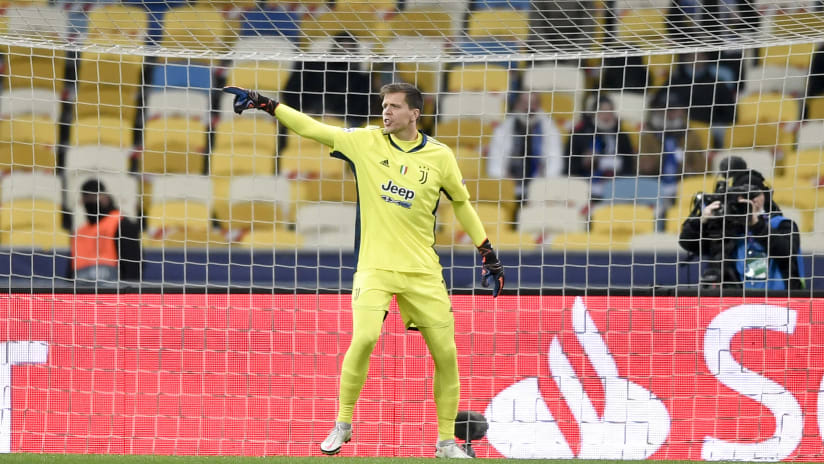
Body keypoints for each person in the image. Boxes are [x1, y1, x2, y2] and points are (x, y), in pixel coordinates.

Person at [223, 82, 505, 459]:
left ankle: (444, 443)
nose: (386, 112)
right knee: (365, 339)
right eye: (384, 105)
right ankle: (342, 423)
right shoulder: (366, 142)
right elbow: (313, 128)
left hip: (422, 271)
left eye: (394, 106)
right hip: (374, 267)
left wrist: (486, 251)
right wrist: (267, 104)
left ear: (414, 114)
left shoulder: (440, 157)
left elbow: (463, 205)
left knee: (446, 354)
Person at [679, 168, 806, 291]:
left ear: (765, 196)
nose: (749, 200)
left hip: (781, 302)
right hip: (740, 305)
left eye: (753, 194)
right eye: (743, 196)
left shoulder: (782, 224)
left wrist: (756, 224)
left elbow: (787, 253)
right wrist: (702, 220)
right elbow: (688, 243)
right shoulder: (729, 229)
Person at [281, 31, 374, 127]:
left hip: (342, 119)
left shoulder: (360, 79)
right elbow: (291, 91)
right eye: (342, 45)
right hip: (306, 111)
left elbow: (362, 107)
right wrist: (307, 111)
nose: (345, 50)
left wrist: (337, 115)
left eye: (350, 46)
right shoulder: (311, 66)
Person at [487, 91, 564, 202]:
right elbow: (495, 163)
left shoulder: (549, 128)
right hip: (509, 187)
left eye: (533, 103)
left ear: (539, 106)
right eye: (524, 103)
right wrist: (504, 178)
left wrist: (544, 181)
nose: (529, 107)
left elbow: (555, 162)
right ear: (517, 105)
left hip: (541, 189)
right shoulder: (503, 129)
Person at [638, 90, 707, 212]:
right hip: (655, 185)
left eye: (674, 109)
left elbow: (700, 168)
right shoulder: (648, 135)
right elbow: (643, 168)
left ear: (682, 111)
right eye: (665, 109)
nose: (669, 114)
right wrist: (663, 157)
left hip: (683, 185)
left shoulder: (691, 135)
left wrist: (684, 165)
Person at [67, 179, 142, 285]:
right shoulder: (79, 233)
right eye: (88, 198)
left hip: (112, 293)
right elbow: (70, 274)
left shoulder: (121, 223)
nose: (92, 202)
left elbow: (133, 267)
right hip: (81, 294)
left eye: (95, 197)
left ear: (106, 197)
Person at [566, 93, 636, 198]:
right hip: (586, 188)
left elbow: (629, 166)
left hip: (616, 188)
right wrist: (584, 162)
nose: (607, 115)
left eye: (610, 111)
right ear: (595, 113)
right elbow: (569, 167)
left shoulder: (622, 136)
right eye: (603, 111)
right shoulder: (580, 135)